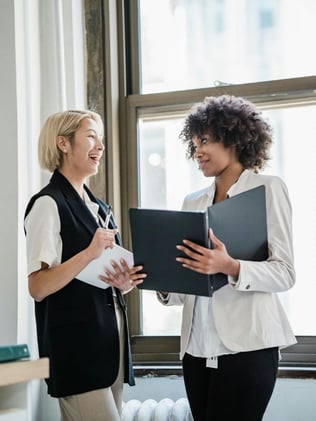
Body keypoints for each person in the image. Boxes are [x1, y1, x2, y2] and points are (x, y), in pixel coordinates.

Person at [158, 95, 296, 421]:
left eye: (205, 141)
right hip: (196, 350)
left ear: (233, 138)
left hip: (247, 348)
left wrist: (230, 266)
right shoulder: (192, 201)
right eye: (193, 144)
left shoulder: (268, 188)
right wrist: (158, 280)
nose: (197, 152)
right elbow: (191, 282)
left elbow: (285, 273)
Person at [24, 109, 146, 421]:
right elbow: (38, 287)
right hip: (76, 351)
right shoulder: (47, 204)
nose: (100, 146)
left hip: (111, 349)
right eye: (91, 135)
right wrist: (88, 254)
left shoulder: (99, 208)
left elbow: (100, 278)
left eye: (100, 138)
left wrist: (124, 282)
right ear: (63, 144)